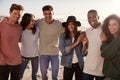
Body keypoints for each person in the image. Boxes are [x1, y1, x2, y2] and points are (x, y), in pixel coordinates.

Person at [36, 5, 64, 80]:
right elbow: (28, 25)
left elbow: (70, 29)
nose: (48, 16)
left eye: (50, 13)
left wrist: (82, 33)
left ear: (53, 13)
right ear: (43, 14)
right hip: (43, 54)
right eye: (46, 14)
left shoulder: (59, 24)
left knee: (55, 76)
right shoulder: (39, 22)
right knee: (44, 75)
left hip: (55, 54)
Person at [59, 16, 87, 80]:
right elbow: (63, 51)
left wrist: (84, 44)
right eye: (69, 24)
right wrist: (77, 42)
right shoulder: (63, 36)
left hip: (79, 64)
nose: (71, 26)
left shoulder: (81, 35)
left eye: (73, 24)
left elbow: (84, 54)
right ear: (66, 26)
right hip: (68, 64)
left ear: (76, 25)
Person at [0, 4, 24, 80]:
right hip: (3, 61)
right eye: (15, 13)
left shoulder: (19, 27)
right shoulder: (1, 25)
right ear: (10, 12)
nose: (17, 16)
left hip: (16, 61)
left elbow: (20, 40)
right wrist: (1, 58)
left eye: (19, 14)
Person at [83, 9, 105, 80]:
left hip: (101, 68)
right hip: (88, 68)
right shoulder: (87, 31)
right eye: (89, 17)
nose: (91, 19)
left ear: (98, 17)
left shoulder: (105, 30)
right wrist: (84, 44)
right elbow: (86, 49)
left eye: (94, 17)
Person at [20, 13, 39, 80]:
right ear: (26, 20)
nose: (33, 22)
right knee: (20, 75)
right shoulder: (20, 30)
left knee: (34, 75)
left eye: (34, 20)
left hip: (35, 56)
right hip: (23, 56)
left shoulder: (37, 29)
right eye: (32, 20)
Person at [100, 14, 120, 80]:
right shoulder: (112, 39)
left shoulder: (118, 39)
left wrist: (103, 41)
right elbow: (103, 50)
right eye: (109, 25)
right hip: (109, 75)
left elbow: (105, 54)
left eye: (114, 24)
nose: (111, 27)